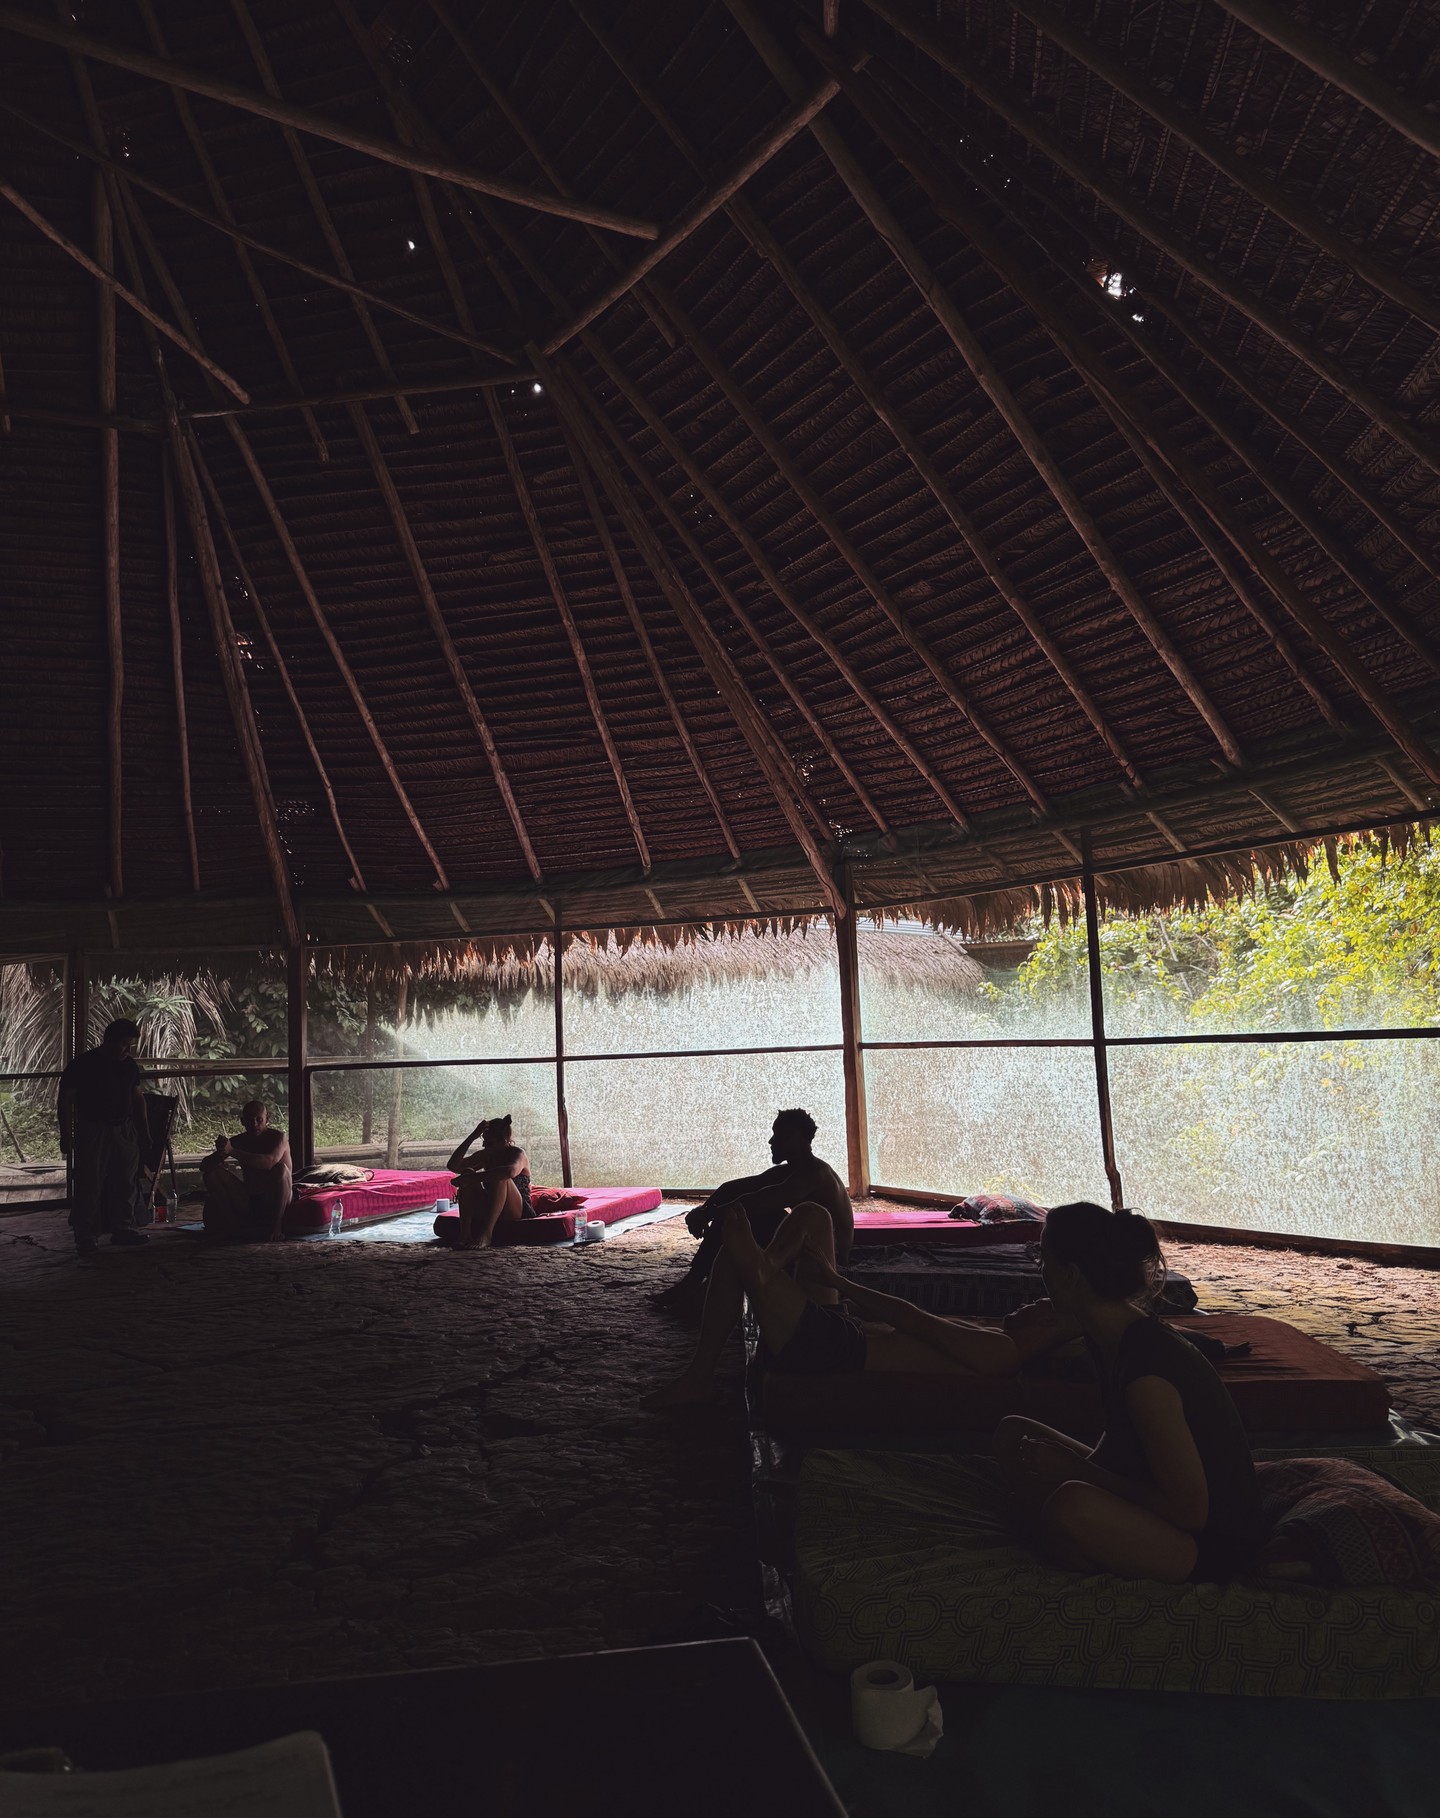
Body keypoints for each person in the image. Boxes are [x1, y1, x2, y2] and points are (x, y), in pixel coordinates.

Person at [996, 1201, 1262, 1584]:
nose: (1040, 1271)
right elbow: (1118, 1443)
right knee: (1014, 1433)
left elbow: (1190, 1512)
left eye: (1044, 1260)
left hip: (1209, 1548)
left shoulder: (1148, 1374)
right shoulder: (1110, 1334)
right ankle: (1068, 1537)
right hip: (1164, 1509)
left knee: (1072, 1505)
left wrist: (1074, 1469)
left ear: (1071, 1274)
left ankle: (1076, 1546)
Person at [654, 1107, 851, 1315]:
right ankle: (695, 1283)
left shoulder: (813, 1175)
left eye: (780, 1135)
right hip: (809, 1248)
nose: (771, 1141)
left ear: (800, 1138)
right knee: (737, 1208)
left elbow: (758, 1202)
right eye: (774, 1134)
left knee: (744, 1216)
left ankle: (700, 1288)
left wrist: (709, 1215)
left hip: (828, 1257)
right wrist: (704, 1210)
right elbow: (732, 1189)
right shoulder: (792, 1171)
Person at [57, 1017, 151, 1256]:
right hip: (93, 1129)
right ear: (108, 1041)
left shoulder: (129, 1066)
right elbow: (65, 1100)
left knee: (126, 1182)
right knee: (90, 1182)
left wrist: (143, 1131)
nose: (127, 1050)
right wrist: (66, 1135)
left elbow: (137, 1098)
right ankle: (86, 1235)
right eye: (123, 1044)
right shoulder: (82, 1065)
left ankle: (124, 1228)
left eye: (130, 1045)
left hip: (123, 1128)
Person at [201, 1100, 293, 1243]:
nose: (254, 1124)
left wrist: (232, 1151)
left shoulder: (279, 1138)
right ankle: (233, 1225)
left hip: (274, 1199)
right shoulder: (239, 1141)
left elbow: (269, 1163)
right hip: (249, 1200)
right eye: (250, 1120)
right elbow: (204, 1167)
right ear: (243, 1122)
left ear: (267, 1119)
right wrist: (220, 1152)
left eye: (259, 1119)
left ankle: (277, 1226)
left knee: (281, 1169)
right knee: (212, 1174)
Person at [445, 1115, 531, 1249]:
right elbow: (453, 1166)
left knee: (499, 1177)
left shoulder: (518, 1154)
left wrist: (473, 1178)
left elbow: (510, 1172)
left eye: (489, 1142)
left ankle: (486, 1235)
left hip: (515, 1210)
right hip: (492, 1206)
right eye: (483, 1141)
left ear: (504, 1141)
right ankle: (465, 1235)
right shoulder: (486, 1155)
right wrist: (472, 1136)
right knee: (467, 1171)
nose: (484, 1145)